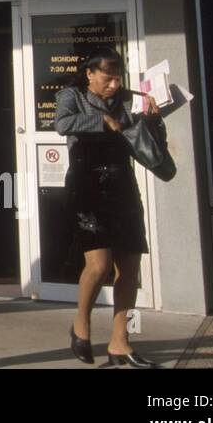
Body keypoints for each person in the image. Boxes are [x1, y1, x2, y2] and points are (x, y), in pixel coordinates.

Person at [54, 47, 162, 368]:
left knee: (129, 269)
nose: (114, 85)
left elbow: (145, 141)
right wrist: (103, 120)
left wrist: (153, 120)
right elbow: (61, 124)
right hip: (87, 188)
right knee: (99, 266)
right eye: (107, 78)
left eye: (118, 78)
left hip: (122, 187)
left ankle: (120, 343)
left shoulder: (130, 98)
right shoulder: (71, 95)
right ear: (89, 74)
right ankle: (81, 324)